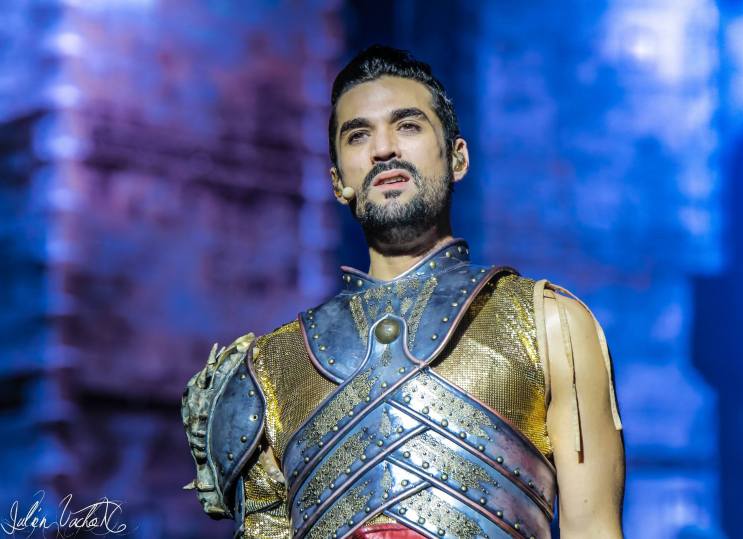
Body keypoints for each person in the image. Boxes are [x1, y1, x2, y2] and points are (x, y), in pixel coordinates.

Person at [181, 45, 625, 539]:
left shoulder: (549, 324)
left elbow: (594, 530)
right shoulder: (270, 368)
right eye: (358, 135)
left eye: (408, 126)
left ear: (458, 158)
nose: (384, 149)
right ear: (337, 182)